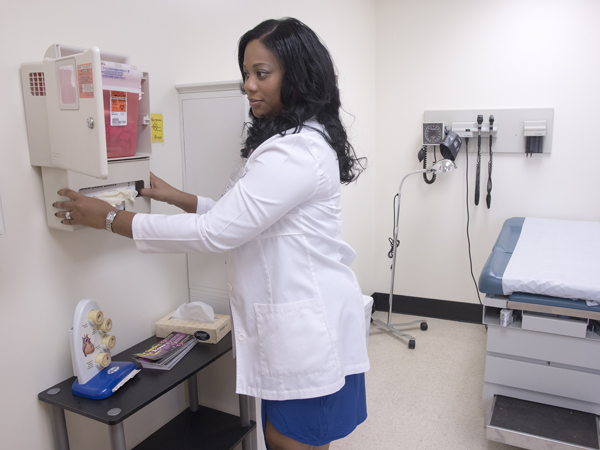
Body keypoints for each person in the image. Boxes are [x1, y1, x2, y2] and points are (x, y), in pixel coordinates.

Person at [54, 17, 369, 450]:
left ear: (296, 76)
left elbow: (216, 233)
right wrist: (177, 197)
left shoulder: (295, 151)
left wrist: (110, 219)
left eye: (262, 73)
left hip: (307, 325)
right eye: (246, 74)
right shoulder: (294, 141)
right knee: (294, 433)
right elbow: (243, 216)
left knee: (288, 436)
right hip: (303, 317)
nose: (249, 86)